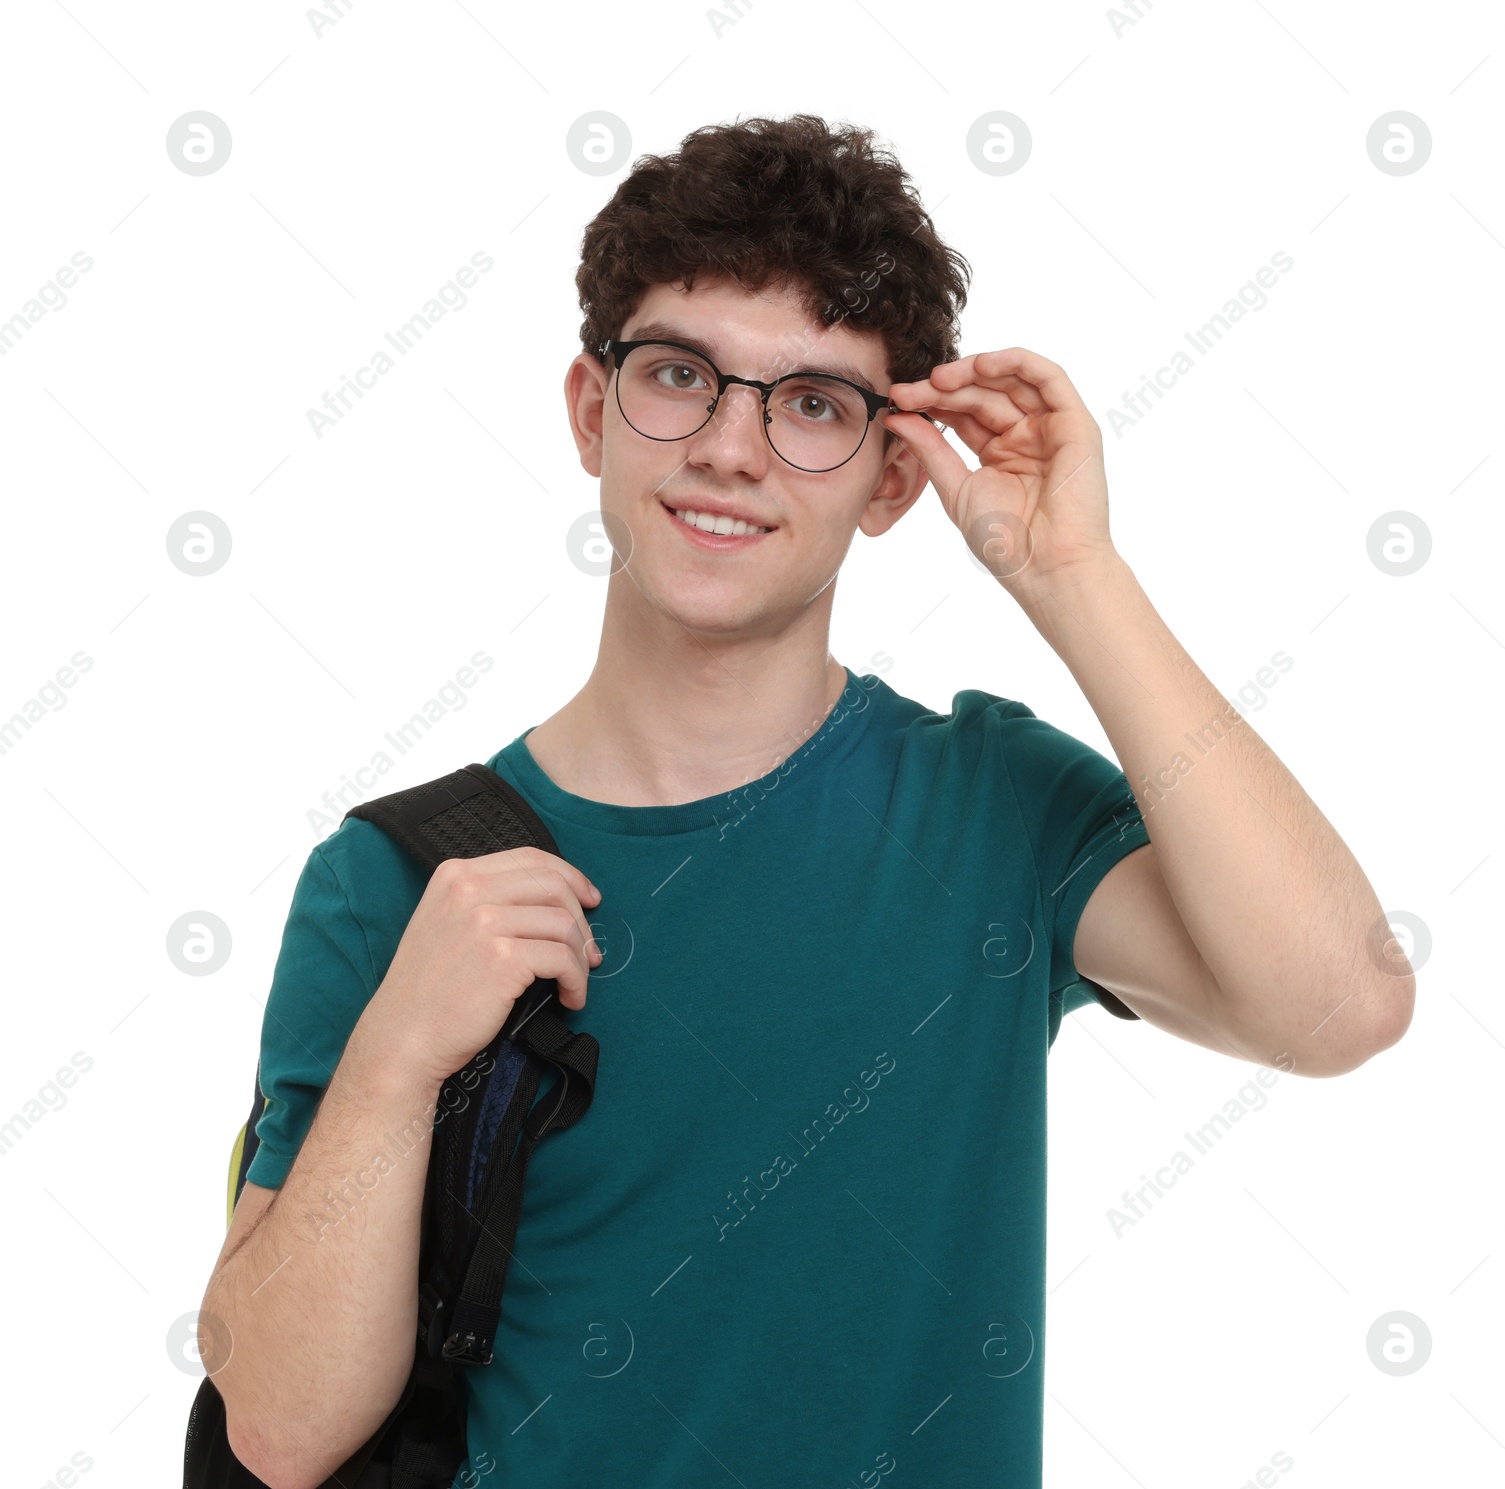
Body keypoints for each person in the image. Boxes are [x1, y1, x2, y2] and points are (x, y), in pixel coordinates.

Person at [199, 113, 1414, 1489]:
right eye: (679, 377)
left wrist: (1072, 575)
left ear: (895, 478)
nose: (732, 447)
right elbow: (282, 1430)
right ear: (593, 413)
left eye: (816, 404)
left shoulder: (990, 808)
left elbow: (1342, 1001)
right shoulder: (393, 879)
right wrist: (398, 1058)